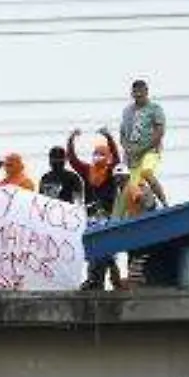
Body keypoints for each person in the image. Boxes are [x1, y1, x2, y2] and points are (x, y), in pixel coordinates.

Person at [68, 129, 122, 290]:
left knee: (109, 252)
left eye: (102, 154)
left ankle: (115, 282)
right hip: (91, 216)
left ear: (107, 156)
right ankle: (94, 281)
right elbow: (73, 160)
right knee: (93, 249)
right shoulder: (87, 171)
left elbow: (117, 157)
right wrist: (71, 140)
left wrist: (109, 138)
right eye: (96, 154)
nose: (98, 157)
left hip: (108, 217)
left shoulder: (111, 170)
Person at [117, 79, 168, 217]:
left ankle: (164, 203)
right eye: (135, 93)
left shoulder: (155, 109)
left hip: (151, 150)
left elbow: (160, 131)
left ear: (146, 92)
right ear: (132, 93)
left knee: (147, 172)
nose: (138, 96)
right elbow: (122, 134)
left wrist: (143, 148)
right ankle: (141, 212)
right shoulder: (127, 111)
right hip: (132, 156)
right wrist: (127, 148)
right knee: (132, 188)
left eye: (141, 93)